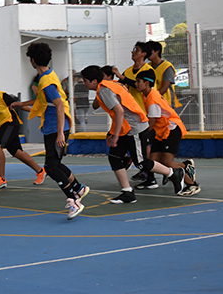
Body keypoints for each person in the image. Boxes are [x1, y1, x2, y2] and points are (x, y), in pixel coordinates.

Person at [80, 66, 186, 204]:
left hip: (134, 128)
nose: (83, 83)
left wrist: (115, 135)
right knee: (115, 157)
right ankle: (127, 192)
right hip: (126, 128)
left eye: (85, 80)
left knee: (141, 163)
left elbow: (120, 112)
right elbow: (118, 114)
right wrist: (111, 134)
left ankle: (173, 173)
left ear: (94, 81)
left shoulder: (104, 90)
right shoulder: (110, 85)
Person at [10, 43, 88, 220]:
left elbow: (59, 105)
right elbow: (41, 102)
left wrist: (61, 133)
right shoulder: (48, 75)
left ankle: (73, 199)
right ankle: (78, 188)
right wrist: (21, 104)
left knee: (51, 166)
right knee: (56, 163)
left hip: (56, 128)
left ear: (33, 60)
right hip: (52, 127)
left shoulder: (45, 81)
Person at [135, 70, 200, 196]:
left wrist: (140, 135)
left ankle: (192, 185)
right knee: (153, 161)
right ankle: (185, 166)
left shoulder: (152, 99)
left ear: (147, 83)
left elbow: (151, 124)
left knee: (167, 162)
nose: (136, 84)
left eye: (138, 81)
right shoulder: (148, 95)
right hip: (162, 131)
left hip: (171, 129)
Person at [112, 41, 154, 113]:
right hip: (130, 110)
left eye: (136, 50)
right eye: (133, 49)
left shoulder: (148, 70)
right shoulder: (128, 71)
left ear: (144, 54)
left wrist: (122, 77)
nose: (132, 52)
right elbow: (119, 86)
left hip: (144, 110)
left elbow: (142, 87)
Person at [147, 41, 182, 109]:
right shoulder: (147, 67)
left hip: (166, 104)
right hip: (152, 103)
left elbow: (164, 88)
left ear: (157, 51)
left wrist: (151, 98)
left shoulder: (167, 67)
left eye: (149, 50)